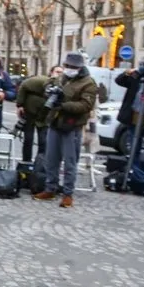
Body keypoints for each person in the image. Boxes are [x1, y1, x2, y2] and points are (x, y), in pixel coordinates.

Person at [33, 52, 97, 208]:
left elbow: (85, 106)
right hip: (55, 122)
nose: (68, 69)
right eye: (67, 66)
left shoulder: (88, 83)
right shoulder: (63, 79)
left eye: (72, 67)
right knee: (51, 159)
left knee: (70, 161)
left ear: (79, 68)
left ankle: (68, 193)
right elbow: (48, 83)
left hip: (72, 125)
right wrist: (50, 89)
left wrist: (63, 105)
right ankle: (50, 188)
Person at [115, 61, 144, 195]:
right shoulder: (135, 80)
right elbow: (119, 80)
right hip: (134, 121)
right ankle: (136, 180)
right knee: (133, 152)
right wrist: (136, 71)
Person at [16, 66, 63, 162]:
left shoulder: (61, 85)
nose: (59, 74)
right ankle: (26, 162)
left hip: (44, 115)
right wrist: (20, 104)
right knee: (28, 139)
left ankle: (40, 163)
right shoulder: (39, 81)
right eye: (57, 72)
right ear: (51, 72)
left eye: (61, 72)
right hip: (30, 112)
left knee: (43, 141)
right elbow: (24, 85)